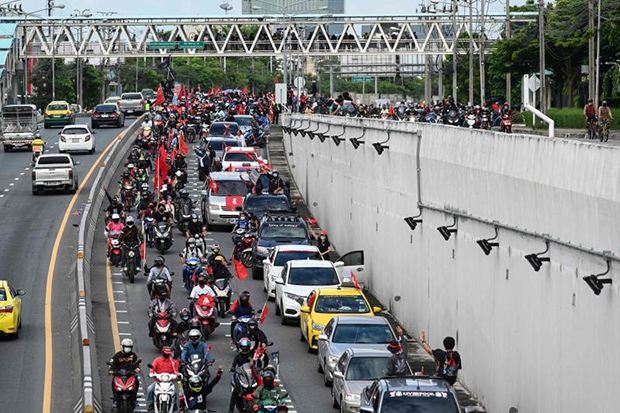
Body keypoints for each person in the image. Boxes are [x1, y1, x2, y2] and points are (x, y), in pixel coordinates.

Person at [228, 338, 259, 413]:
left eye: (246, 347)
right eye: (243, 347)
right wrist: (233, 368)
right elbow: (234, 365)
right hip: (241, 374)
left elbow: (257, 363)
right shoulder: (238, 356)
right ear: (240, 347)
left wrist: (258, 369)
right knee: (235, 391)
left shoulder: (252, 354)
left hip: (252, 374)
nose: (245, 348)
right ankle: (231, 409)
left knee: (260, 387)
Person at [108, 338, 141, 407]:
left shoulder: (133, 355)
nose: (127, 348)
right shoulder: (117, 355)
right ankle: (115, 399)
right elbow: (112, 364)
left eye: (129, 347)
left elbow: (136, 364)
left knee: (136, 382)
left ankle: (134, 399)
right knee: (113, 382)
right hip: (119, 374)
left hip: (130, 374)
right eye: (126, 347)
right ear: (122, 347)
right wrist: (111, 370)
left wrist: (137, 369)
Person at [147, 347, 181, 411]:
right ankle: (151, 403)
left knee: (175, 392)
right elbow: (152, 368)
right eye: (166, 354)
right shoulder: (157, 360)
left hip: (169, 381)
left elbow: (176, 370)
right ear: (162, 353)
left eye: (168, 354)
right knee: (150, 389)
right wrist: (151, 373)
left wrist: (177, 375)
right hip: (158, 381)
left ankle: (174, 404)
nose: (167, 355)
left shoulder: (172, 361)